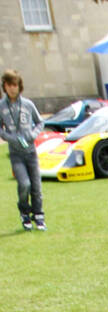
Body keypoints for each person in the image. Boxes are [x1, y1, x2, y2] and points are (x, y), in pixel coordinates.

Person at [0, 69, 46, 231]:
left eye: (15, 85)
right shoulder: (1, 106)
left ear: (20, 86)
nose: (13, 88)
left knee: (36, 186)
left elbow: (40, 122)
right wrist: (9, 137)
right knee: (24, 184)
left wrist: (33, 134)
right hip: (16, 154)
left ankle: (39, 216)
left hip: (31, 152)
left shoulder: (27, 104)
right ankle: (24, 212)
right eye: (9, 85)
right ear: (4, 87)